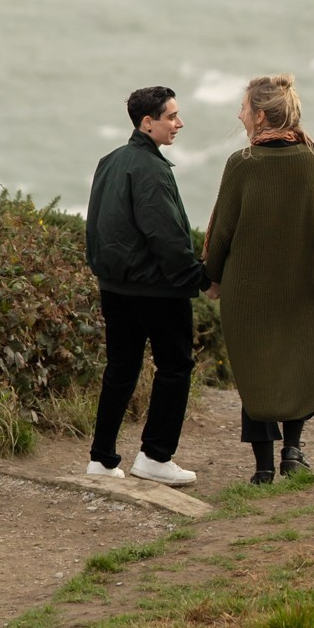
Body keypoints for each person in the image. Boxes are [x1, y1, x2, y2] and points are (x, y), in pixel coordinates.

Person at [202, 72, 314, 482]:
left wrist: (211, 278)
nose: (240, 114)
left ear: (261, 116)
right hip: (304, 284)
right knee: (299, 363)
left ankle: (264, 469)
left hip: (250, 292)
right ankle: (293, 451)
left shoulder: (242, 165)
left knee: (257, 370)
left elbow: (222, 231)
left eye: (244, 108)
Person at [83, 85, 206, 487]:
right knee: (174, 367)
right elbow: (166, 236)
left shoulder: (110, 160)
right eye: (171, 117)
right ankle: (155, 457)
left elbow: (96, 223)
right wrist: (197, 277)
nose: (179, 123)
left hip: (115, 287)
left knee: (121, 368)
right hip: (157, 290)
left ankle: (101, 461)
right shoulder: (151, 169)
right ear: (147, 122)